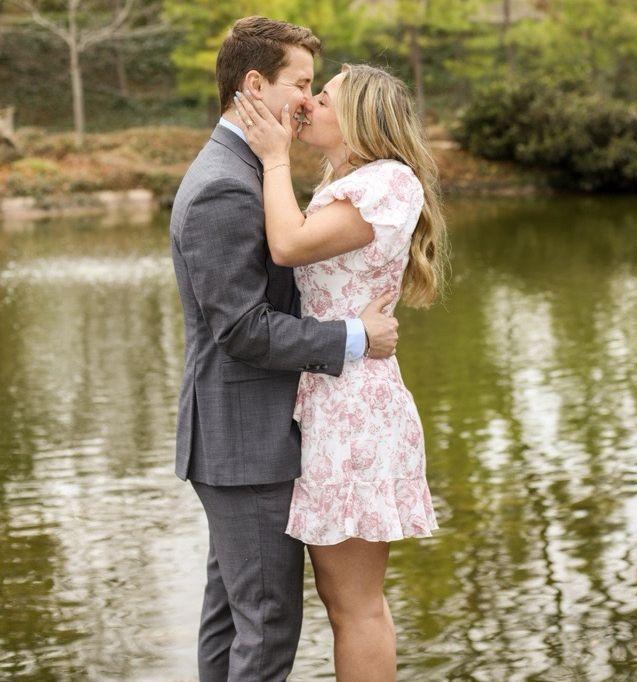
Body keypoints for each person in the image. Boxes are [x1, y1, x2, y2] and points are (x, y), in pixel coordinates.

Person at [169, 17, 401, 682]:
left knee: (233, 620)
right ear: (254, 85)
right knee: (268, 628)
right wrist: (355, 337)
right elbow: (243, 329)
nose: (306, 100)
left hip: (245, 440)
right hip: (246, 444)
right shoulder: (225, 185)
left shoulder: (244, 171)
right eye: (301, 84)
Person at [233, 62, 447, 681]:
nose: (307, 105)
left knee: (354, 603)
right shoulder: (350, 181)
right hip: (332, 391)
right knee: (342, 599)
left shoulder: (389, 182)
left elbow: (288, 246)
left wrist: (275, 158)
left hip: (355, 405)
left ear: (359, 119)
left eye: (322, 98)